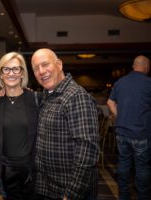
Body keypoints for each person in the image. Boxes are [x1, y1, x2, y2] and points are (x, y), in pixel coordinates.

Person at [31, 48, 99, 200]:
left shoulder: (76, 96)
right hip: (48, 187)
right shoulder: (48, 95)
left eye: (45, 64)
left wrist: (72, 193)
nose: (41, 71)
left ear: (59, 65)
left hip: (68, 191)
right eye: (36, 68)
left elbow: (87, 150)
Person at [0, 52, 40, 200]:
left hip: (30, 172)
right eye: (6, 69)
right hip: (5, 173)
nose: (11, 73)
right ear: (1, 74)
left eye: (16, 69)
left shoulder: (35, 99)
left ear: (22, 73)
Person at [107, 55, 151, 200]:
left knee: (124, 164)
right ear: (146, 67)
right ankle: (142, 196)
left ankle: (124, 195)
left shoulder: (120, 82)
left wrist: (121, 117)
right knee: (142, 167)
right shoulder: (148, 83)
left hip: (122, 132)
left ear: (133, 66)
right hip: (141, 133)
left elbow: (110, 102)